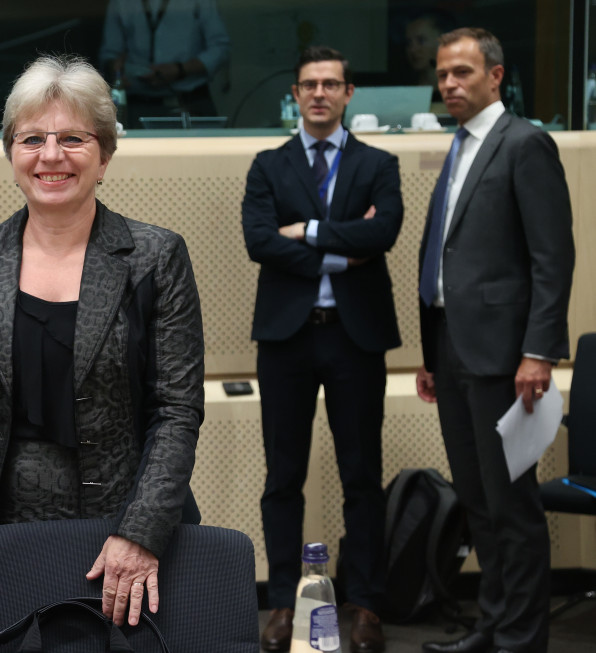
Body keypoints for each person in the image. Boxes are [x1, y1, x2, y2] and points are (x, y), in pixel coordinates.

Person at [0, 55, 205, 652]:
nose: (51, 155)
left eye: (72, 138)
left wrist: (140, 535)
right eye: (32, 139)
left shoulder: (156, 258)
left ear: (105, 155)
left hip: (120, 534)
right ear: (12, 154)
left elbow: (176, 411)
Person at [416, 28, 574, 653]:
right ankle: (493, 626)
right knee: (479, 502)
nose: (448, 84)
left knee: (511, 507)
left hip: (506, 357)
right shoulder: (457, 147)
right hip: (453, 349)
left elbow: (551, 258)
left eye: (461, 72)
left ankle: (521, 639)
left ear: (496, 76)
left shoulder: (525, 143)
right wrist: (431, 356)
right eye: (442, 74)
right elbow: (448, 255)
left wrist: (539, 351)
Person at [242, 45, 403, 653]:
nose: (318, 94)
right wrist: (345, 244)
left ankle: (365, 603)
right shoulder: (268, 165)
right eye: (308, 84)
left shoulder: (378, 164)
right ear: (295, 93)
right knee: (283, 476)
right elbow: (259, 241)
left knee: (362, 475)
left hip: (354, 335)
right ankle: (284, 602)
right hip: (286, 337)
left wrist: (306, 232)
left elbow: (382, 232)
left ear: (348, 93)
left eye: (330, 84)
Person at [99, 0, 230, 127]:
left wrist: (181, 70)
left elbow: (220, 47)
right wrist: (116, 70)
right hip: (138, 101)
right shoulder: (120, 2)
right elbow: (110, 53)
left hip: (190, 100)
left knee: (204, 148)